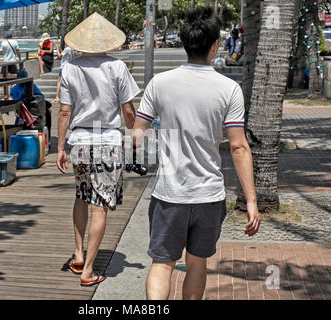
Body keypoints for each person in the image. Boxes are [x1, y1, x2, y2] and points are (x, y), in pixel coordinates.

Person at [132, 7, 260, 300]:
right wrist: (251, 201)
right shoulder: (229, 89)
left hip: (169, 195)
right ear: (215, 45)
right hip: (209, 196)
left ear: (184, 43)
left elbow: (137, 136)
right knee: (197, 264)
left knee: (162, 264)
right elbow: (239, 146)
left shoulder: (159, 84)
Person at [57, 12, 140, 287]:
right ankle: (88, 271)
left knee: (82, 196)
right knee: (100, 206)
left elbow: (64, 111)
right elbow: (128, 110)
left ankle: (79, 255)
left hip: (79, 143)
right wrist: (136, 135)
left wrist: (60, 147)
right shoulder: (117, 67)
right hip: (108, 144)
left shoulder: (70, 68)